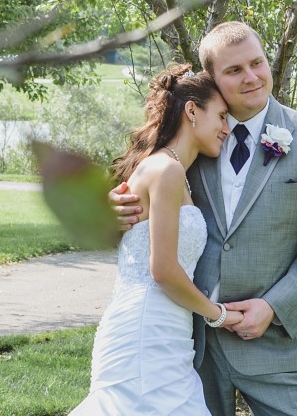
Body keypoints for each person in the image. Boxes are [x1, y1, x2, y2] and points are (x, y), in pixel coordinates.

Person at [111, 22, 297, 416]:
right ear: (213, 79)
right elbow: (145, 189)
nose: (252, 77)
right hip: (190, 347)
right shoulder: (193, 139)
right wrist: (117, 206)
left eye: (257, 63)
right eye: (234, 70)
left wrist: (273, 307)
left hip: (276, 348)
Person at [71, 64, 240, 415]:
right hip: (147, 332)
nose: (227, 129)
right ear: (192, 110)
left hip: (167, 334)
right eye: (222, 116)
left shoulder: (172, 169)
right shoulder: (167, 170)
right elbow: (162, 270)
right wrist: (219, 315)